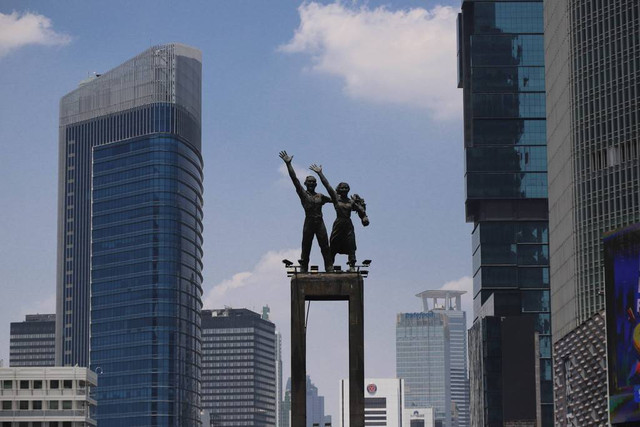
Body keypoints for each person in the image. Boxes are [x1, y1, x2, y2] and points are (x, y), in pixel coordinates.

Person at [279, 151, 333, 272]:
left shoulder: (320, 196)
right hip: (308, 222)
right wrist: (288, 164)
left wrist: (320, 173)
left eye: (313, 182)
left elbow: (335, 199)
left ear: (316, 184)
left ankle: (329, 267)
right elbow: (294, 180)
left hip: (320, 222)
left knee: (325, 246)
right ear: (305, 183)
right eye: (309, 182)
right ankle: (304, 267)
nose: (311, 184)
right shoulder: (303, 194)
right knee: (306, 246)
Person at [310, 164, 369, 269]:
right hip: (339, 223)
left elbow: (361, 210)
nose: (345, 189)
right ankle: (330, 265)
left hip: (348, 224)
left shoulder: (351, 202)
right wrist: (320, 173)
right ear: (339, 189)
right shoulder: (336, 198)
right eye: (342, 188)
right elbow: (327, 185)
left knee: (351, 244)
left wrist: (364, 218)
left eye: (346, 188)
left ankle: (352, 265)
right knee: (333, 244)